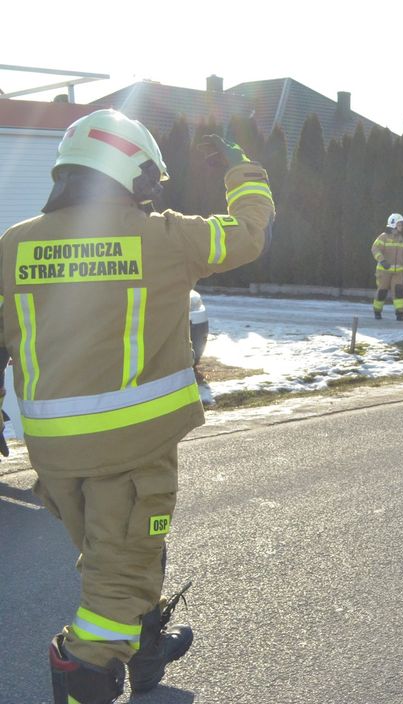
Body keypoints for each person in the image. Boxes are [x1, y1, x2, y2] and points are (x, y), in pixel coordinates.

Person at [0, 110, 274, 704]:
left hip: (52, 457)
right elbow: (248, 233)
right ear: (133, 172)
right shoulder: (163, 236)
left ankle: (148, 654)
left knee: (114, 552)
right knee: (117, 582)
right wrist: (244, 171)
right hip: (132, 448)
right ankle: (87, 674)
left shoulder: (14, 245)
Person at [371, 213, 403, 321]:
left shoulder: (400, 238)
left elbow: (402, 254)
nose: (401, 226)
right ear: (393, 224)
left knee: (398, 291)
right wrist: (382, 260)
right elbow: (375, 249)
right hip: (384, 271)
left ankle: (400, 314)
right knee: (382, 291)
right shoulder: (383, 237)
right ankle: (377, 311)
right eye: (399, 224)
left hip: (398, 271)